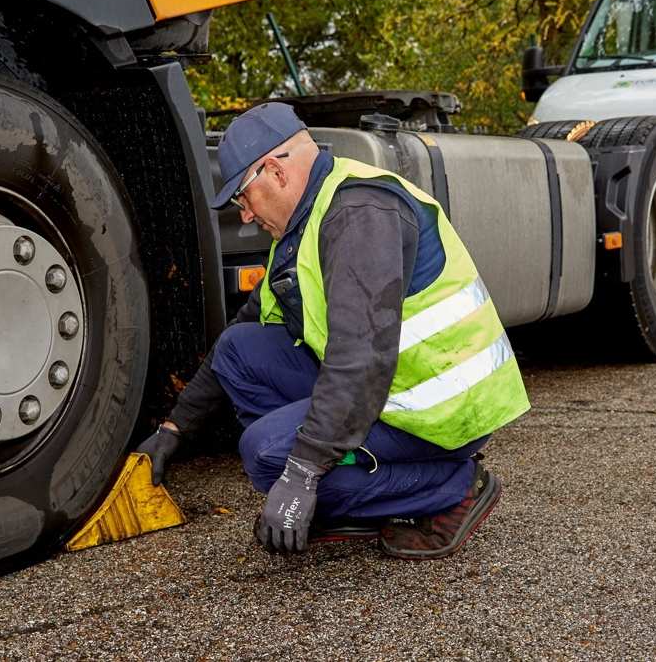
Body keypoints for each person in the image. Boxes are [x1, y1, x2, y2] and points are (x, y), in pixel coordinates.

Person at [135, 102, 529, 558]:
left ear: (275, 173)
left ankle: (454, 487)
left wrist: (301, 472)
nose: (244, 215)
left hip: (438, 410)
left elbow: (359, 358)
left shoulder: (359, 214)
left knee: (266, 454)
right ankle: (350, 484)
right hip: (388, 390)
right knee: (244, 351)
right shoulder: (303, 226)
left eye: (243, 196)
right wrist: (174, 428)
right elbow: (239, 334)